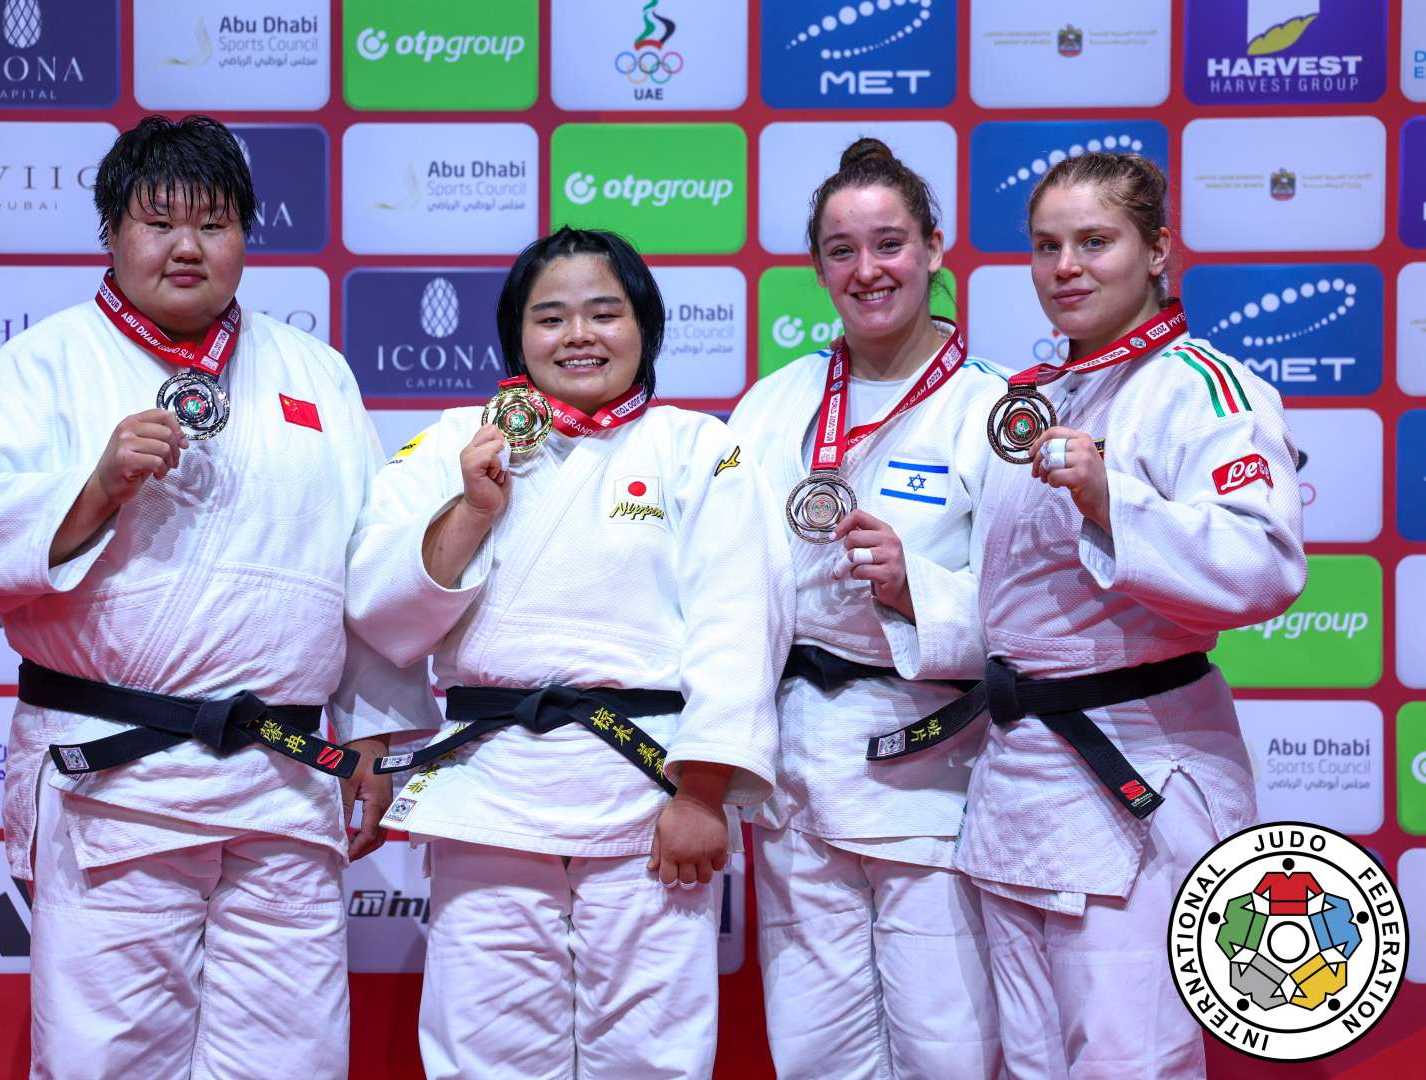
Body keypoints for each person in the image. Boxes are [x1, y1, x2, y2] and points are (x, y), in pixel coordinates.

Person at [0, 115, 437, 1078]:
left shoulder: (314, 373)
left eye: (215, 222)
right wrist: (95, 485)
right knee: (106, 1058)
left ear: (248, 235)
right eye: (159, 222)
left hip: (283, 782)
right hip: (120, 782)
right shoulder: (47, 363)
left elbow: (364, 563)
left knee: (293, 1059)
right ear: (112, 234)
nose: (188, 247)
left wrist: (371, 730)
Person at [346, 226, 793, 1079]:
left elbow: (740, 625)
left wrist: (703, 792)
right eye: (550, 317)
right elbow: (379, 609)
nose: (578, 336)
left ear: (646, 328)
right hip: (491, 794)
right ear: (517, 335)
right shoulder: (455, 442)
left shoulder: (698, 448)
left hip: (647, 795)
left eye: (604, 312)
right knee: (487, 1054)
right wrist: (471, 509)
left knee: (653, 1056)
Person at [954, 152, 1306, 1077]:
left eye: (1094, 242)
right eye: (1045, 246)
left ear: (1157, 251)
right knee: (1029, 1062)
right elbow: (1008, 602)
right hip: (1018, 776)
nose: (1065, 267)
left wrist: (1115, 500)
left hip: (1136, 770)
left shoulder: (1204, 388)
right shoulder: (1029, 402)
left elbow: (1263, 567)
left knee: (1128, 1058)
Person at [728, 138, 1004, 1079]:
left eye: (889, 243)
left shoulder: (992, 410)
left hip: (934, 768)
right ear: (816, 270)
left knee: (946, 1046)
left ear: (934, 247)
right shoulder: (773, 405)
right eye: (842, 252)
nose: (868, 270)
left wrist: (912, 585)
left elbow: (1036, 609)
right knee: (812, 1049)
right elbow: (727, 586)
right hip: (799, 766)